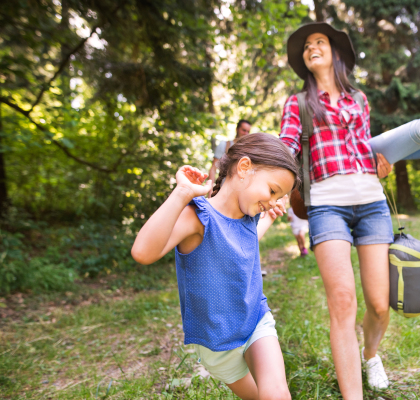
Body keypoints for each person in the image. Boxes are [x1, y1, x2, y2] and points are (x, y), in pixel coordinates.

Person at [131, 133, 298, 400]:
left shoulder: (248, 218)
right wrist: (182, 193)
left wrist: (268, 215)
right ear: (244, 168)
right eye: (273, 190)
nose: (273, 201)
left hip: (255, 320)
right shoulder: (199, 217)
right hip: (218, 345)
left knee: (276, 393)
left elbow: (245, 243)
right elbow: (142, 252)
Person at [279, 22, 394, 397]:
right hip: (328, 206)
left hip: (372, 204)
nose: (312, 47)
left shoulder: (359, 99)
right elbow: (285, 148)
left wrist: (381, 162)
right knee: (343, 301)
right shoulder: (297, 103)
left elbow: (365, 145)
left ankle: (371, 354)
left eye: (320, 42)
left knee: (379, 304)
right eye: (307, 45)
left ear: (335, 53)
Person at [208, 119, 252, 186]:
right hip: (223, 189)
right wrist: (210, 189)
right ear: (237, 129)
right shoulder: (224, 145)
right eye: (243, 130)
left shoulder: (249, 150)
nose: (246, 134)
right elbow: (213, 169)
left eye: (248, 131)